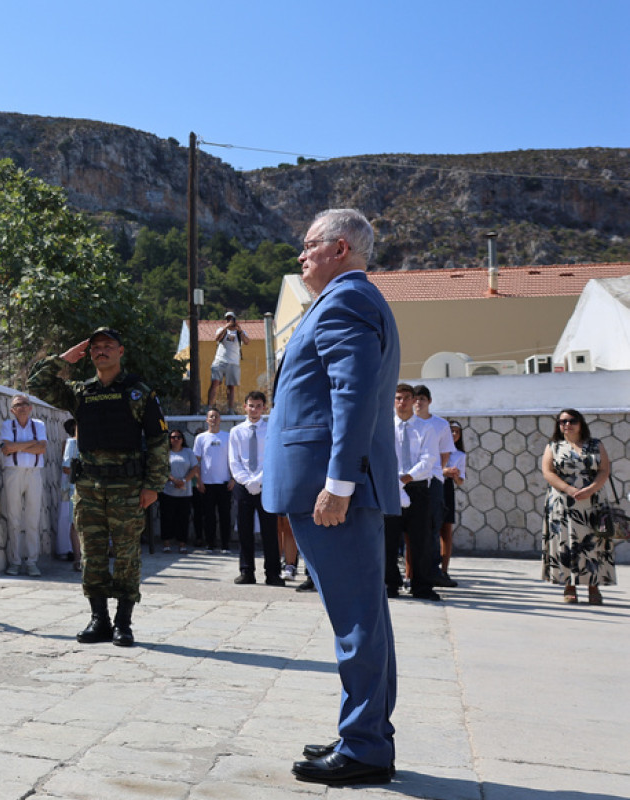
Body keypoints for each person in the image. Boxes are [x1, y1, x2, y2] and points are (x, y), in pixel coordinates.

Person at [264, 208, 401, 786]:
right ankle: (362, 733)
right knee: (363, 616)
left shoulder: (346, 300)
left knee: (356, 621)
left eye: (309, 245)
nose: (301, 256)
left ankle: (366, 746)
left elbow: (354, 394)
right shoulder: (347, 299)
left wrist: (337, 484)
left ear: (339, 247)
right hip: (329, 483)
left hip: (332, 487)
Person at [29, 327, 169, 647]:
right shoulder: (79, 392)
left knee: (126, 557)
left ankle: (123, 622)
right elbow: (36, 383)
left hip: (128, 488)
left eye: (108, 346)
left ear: (121, 352)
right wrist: (63, 359)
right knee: (92, 557)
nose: (101, 351)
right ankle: (99, 619)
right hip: (89, 489)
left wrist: (153, 486)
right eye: (95, 347)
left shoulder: (138, 392)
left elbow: (160, 441)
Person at [540, 409, 615, 605]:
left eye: (572, 420)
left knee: (595, 543)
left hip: (593, 501)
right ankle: (569, 586)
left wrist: (591, 489)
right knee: (566, 543)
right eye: (562, 421)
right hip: (563, 502)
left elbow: (604, 469)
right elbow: (548, 472)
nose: (567, 424)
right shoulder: (554, 446)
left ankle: (594, 586)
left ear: (581, 423)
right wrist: (569, 489)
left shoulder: (596, 445)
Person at [389, 384, 441, 601]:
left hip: (417, 488)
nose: (403, 402)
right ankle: (390, 584)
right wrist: (395, 479)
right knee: (388, 540)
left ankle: (421, 586)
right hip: (391, 487)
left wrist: (408, 477)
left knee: (421, 540)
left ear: (413, 401)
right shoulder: (385, 426)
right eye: (398, 398)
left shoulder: (425, 428)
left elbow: (428, 459)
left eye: (407, 398)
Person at [228, 391, 281, 586]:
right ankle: (246, 571)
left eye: (259, 406)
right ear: (245, 406)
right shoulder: (236, 431)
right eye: (251, 405)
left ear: (264, 408)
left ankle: (273, 573)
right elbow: (234, 460)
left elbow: (272, 458)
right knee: (244, 530)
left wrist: (259, 481)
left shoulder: (270, 430)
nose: (254, 410)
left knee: (269, 531)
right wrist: (246, 481)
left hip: (265, 484)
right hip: (243, 486)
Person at [0, 394, 47, 576]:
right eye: (18, 405)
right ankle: (15, 562)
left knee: (33, 519)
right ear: (12, 410)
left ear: (31, 407)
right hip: (14, 474)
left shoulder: (39, 425)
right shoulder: (7, 425)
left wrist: (17, 446)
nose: (22, 407)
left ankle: (32, 562)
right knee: (14, 518)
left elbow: (42, 448)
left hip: (33, 474)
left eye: (25, 404)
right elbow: (7, 449)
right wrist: (31, 444)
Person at [411, 385, 454, 587]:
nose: (419, 402)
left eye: (422, 398)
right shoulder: (405, 423)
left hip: (431, 481)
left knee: (431, 526)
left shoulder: (440, 424)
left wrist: (433, 471)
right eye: (416, 398)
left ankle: (432, 571)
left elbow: (445, 453)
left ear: (429, 401)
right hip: (407, 480)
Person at [192, 407, 233, 552]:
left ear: (220, 419)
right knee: (208, 516)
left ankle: (225, 545)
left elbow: (233, 459)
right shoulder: (201, 438)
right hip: (207, 484)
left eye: (216, 416)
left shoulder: (227, 437)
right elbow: (196, 461)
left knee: (225, 516)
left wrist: (233, 479)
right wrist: (199, 480)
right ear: (206, 420)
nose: (213, 419)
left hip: (224, 483)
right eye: (211, 417)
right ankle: (210, 544)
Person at [437, 420, 468, 587]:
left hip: (447, 489)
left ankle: (444, 570)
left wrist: (454, 475)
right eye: (451, 431)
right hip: (434, 487)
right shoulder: (436, 449)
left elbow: (461, 481)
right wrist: (444, 471)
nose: (454, 435)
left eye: (457, 432)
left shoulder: (460, 455)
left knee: (446, 530)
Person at [162, 430, 198, 553]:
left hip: (185, 492)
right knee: (167, 517)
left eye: (178, 437)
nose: (176, 439)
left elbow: (195, 467)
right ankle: (166, 543)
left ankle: (182, 543)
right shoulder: (165, 453)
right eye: (173, 437)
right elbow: (163, 468)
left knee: (183, 519)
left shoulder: (188, 452)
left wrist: (184, 480)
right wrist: (173, 480)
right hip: (168, 491)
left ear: (182, 439)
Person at [207, 311, 250, 412]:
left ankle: (230, 409)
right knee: (214, 383)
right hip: (220, 360)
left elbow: (247, 342)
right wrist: (226, 328)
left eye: (231, 319)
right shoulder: (221, 330)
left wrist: (239, 330)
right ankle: (209, 407)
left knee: (231, 387)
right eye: (228, 319)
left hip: (234, 362)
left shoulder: (240, 333)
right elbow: (217, 338)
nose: (229, 321)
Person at [56, 418, 78, 563]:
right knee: (70, 519)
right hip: (72, 486)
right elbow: (66, 467)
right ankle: (71, 552)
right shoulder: (70, 443)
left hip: (73, 484)